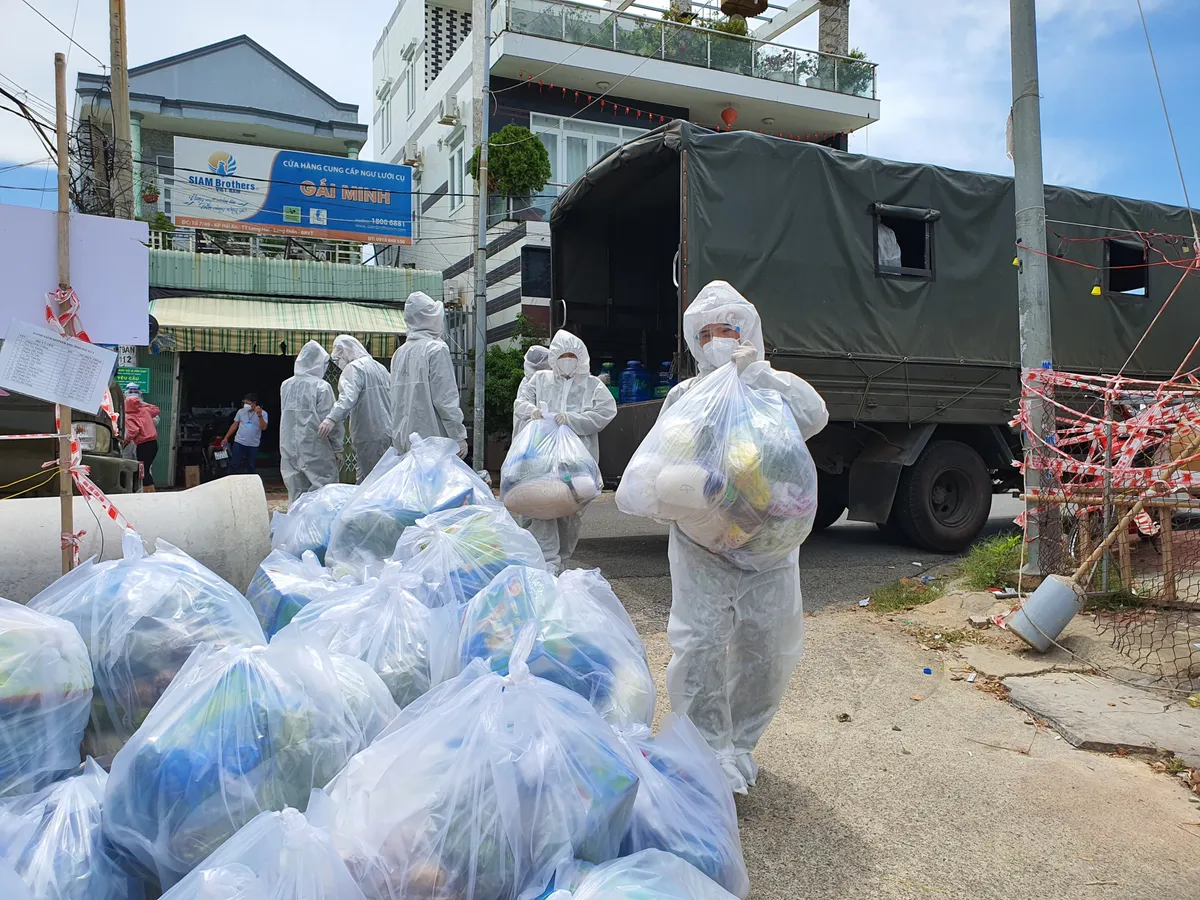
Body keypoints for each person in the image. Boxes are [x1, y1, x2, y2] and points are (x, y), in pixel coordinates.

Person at [659, 281, 828, 794]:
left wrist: (758, 375)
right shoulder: (686, 395)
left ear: (747, 333)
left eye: (726, 330)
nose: (716, 340)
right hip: (702, 540)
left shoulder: (768, 384)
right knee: (699, 641)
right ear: (694, 341)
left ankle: (739, 746)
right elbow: (663, 460)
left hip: (767, 541)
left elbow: (815, 416)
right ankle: (703, 751)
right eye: (706, 333)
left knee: (768, 643)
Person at [513, 330, 616, 574]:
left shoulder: (592, 385)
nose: (567, 359)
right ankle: (545, 567)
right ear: (554, 357)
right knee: (542, 509)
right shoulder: (540, 380)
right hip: (541, 461)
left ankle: (558, 563)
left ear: (581, 357)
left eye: (572, 355)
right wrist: (532, 412)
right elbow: (521, 402)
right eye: (562, 355)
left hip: (577, 463)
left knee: (570, 515)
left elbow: (605, 412)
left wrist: (572, 420)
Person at [390, 291, 468, 458]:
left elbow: (395, 402)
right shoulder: (436, 349)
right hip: (432, 444)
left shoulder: (399, 353)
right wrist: (458, 435)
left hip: (403, 443)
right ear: (431, 317)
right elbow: (446, 400)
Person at [318, 335, 393, 482]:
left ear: (346, 351)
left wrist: (331, 418)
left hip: (368, 433)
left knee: (368, 479)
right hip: (388, 431)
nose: (339, 362)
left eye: (339, 357)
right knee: (385, 478)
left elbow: (347, 397)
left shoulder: (354, 368)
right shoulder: (380, 367)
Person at [279, 341, 342, 503]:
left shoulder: (286, 385)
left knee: (296, 494)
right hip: (316, 449)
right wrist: (337, 449)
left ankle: (296, 528)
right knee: (322, 495)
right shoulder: (322, 387)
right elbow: (330, 420)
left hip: (290, 449)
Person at [122, 383, 160, 493]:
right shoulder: (124, 407)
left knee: (143, 468)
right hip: (144, 442)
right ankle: (129, 489)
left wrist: (141, 408)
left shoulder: (141, 408)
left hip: (140, 442)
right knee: (127, 465)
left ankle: (144, 491)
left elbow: (133, 431)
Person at [223, 392, 268, 475]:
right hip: (239, 442)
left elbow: (264, 427)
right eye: (244, 403)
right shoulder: (241, 411)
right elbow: (235, 424)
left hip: (253, 444)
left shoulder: (263, 413)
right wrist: (226, 437)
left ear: (254, 403)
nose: (245, 405)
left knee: (251, 465)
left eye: (247, 403)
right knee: (234, 463)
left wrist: (260, 416)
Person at [512, 344, 551, 436]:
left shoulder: (550, 382)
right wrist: (532, 410)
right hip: (526, 432)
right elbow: (520, 406)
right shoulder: (526, 383)